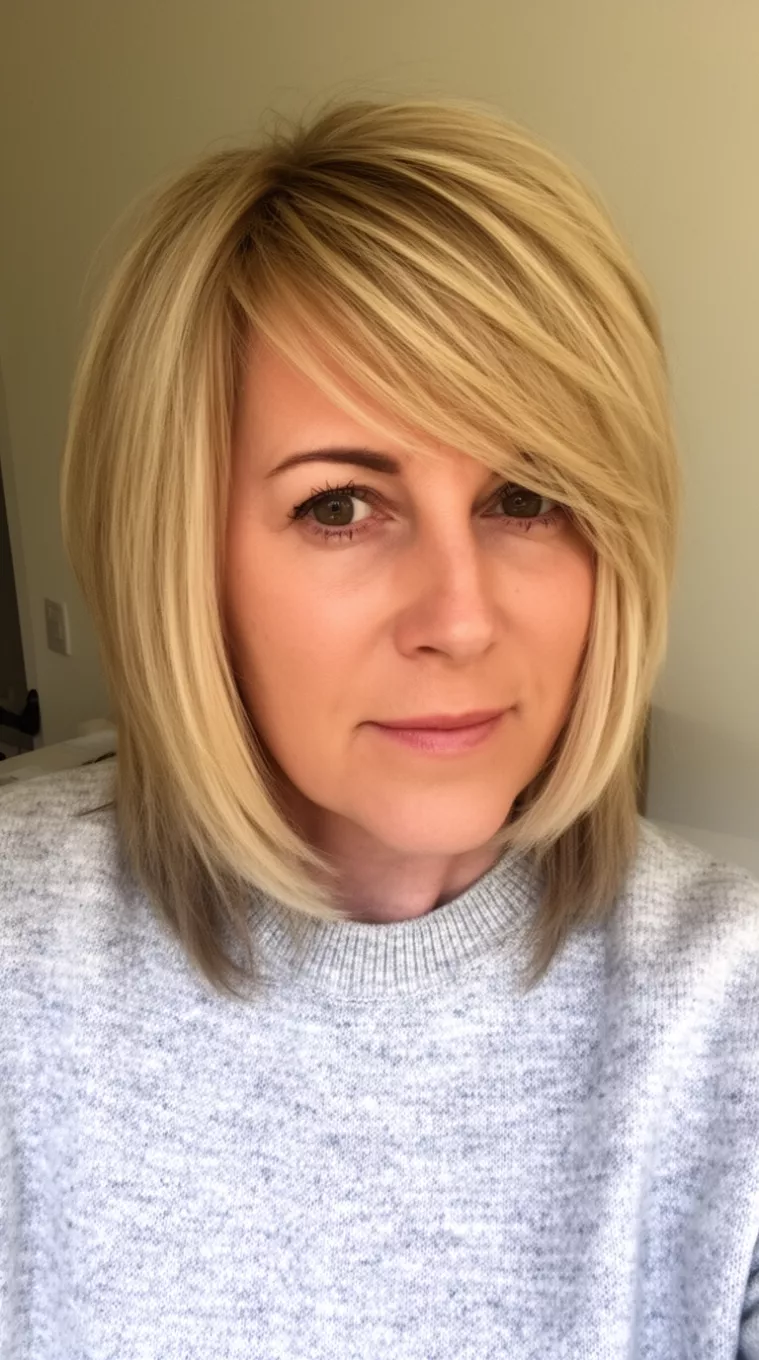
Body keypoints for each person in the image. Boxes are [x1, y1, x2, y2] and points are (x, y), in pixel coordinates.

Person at [1, 96, 758, 1360]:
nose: (460, 618)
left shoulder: (727, 1005)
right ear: (178, 554)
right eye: (341, 505)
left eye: (527, 496)